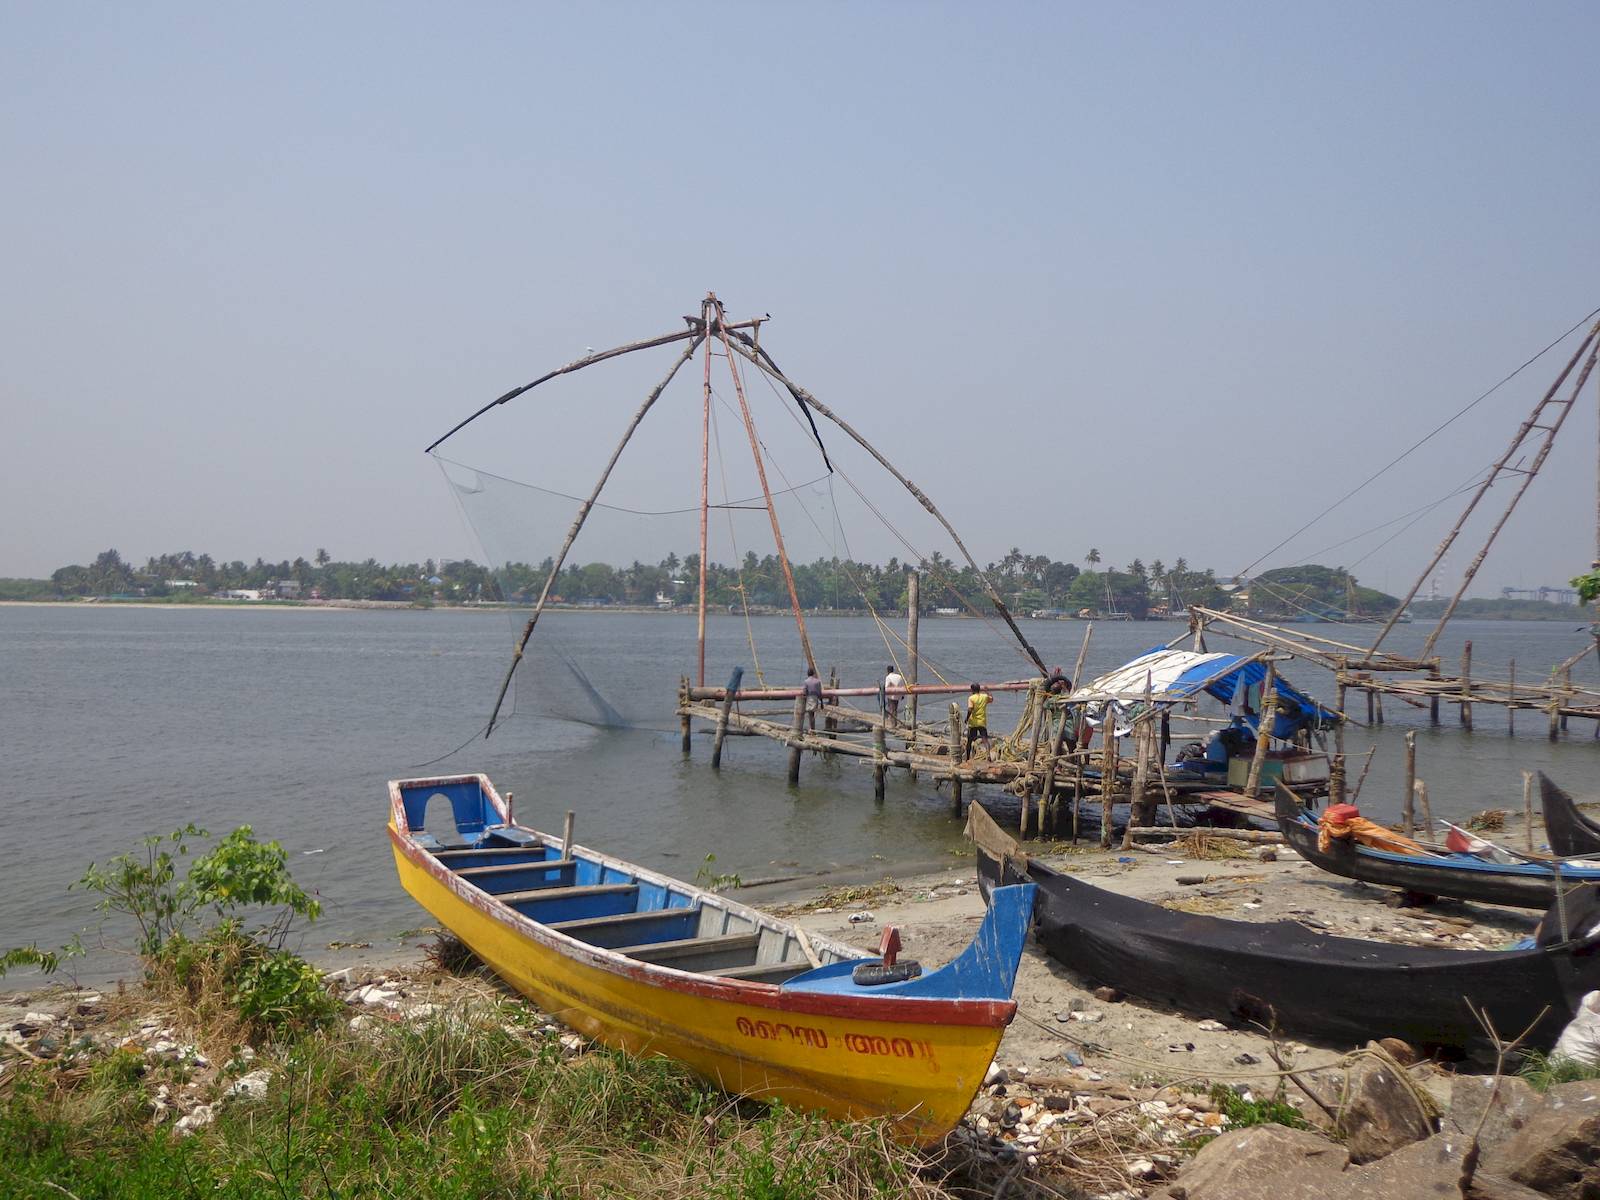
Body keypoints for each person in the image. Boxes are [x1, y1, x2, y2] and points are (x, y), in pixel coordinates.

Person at [965, 682, 994, 761]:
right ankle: (988, 755)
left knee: (969, 741)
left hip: (973, 722)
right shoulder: (984, 697)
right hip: (982, 722)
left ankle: (967, 758)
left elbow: (970, 709)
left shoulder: (971, 698)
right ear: (979, 689)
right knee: (985, 740)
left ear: (972, 690)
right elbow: (991, 699)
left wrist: (966, 718)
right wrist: (987, 691)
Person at [802, 666, 823, 734]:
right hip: (816, 698)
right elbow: (820, 693)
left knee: (810, 715)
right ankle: (812, 729)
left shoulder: (806, 681)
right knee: (813, 715)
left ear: (808, 673)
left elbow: (804, 692)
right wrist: (822, 702)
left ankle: (812, 729)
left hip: (809, 698)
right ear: (813, 673)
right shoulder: (818, 681)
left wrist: (804, 697)